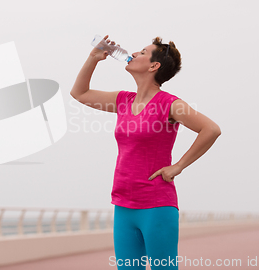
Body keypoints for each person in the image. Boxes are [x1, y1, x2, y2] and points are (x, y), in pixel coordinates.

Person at [70, 35, 222, 269]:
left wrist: (178, 166)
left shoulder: (170, 104)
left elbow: (210, 129)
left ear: (154, 66)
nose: (134, 53)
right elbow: (79, 93)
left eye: (142, 52)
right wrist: (93, 57)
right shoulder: (123, 100)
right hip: (123, 204)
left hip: (156, 205)